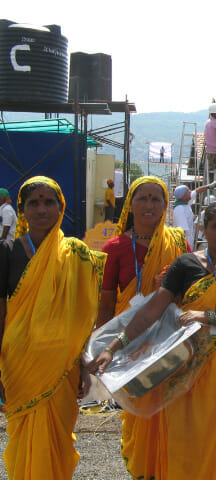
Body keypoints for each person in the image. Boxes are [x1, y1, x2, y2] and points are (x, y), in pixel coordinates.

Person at [89, 201, 216, 479]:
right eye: (215, 226)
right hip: (185, 368)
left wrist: (209, 317)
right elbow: (151, 310)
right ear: (204, 230)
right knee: (185, 441)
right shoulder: (185, 265)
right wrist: (113, 347)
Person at [0, 176, 105, 479]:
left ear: (61, 207)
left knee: (57, 440)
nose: (42, 209)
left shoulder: (76, 253)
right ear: (22, 210)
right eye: (34, 203)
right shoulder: (7, 251)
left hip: (63, 365)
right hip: (20, 363)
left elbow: (83, 313)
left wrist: (84, 363)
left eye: (49, 202)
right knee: (24, 440)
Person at [96, 176, 190, 478]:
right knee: (138, 417)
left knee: (172, 413)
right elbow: (106, 303)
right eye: (143, 198)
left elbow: (191, 295)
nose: (149, 205)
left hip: (167, 343)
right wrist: (102, 349)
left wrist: (172, 287)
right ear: (131, 204)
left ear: (166, 205)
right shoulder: (114, 247)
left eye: (156, 199)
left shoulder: (178, 243)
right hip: (131, 346)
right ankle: (144, 470)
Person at [173, 183, 211, 249]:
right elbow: (182, 231)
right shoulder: (180, 209)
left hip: (189, 243)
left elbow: (196, 191)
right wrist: (185, 248)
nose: (190, 192)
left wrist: (208, 186)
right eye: (188, 191)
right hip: (184, 245)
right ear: (183, 196)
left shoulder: (185, 203)